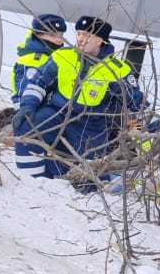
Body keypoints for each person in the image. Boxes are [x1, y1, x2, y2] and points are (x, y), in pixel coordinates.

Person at [13, 15, 144, 181]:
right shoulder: (63, 55)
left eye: (87, 35)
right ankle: (31, 180)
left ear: (100, 41)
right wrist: (27, 106)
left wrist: (153, 129)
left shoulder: (116, 68)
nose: (80, 39)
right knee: (27, 124)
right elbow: (38, 81)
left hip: (91, 123)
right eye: (79, 34)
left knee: (90, 177)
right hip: (57, 112)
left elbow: (136, 101)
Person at [10, 13, 68, 174]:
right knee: (32, 142)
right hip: (34, 112)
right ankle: (32, 178)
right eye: (52, 35)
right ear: (39, 34)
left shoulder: (50, 55)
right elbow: (27, 90)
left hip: (44, 111)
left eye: (61, 35)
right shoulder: (34, 60)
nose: (59, 39)